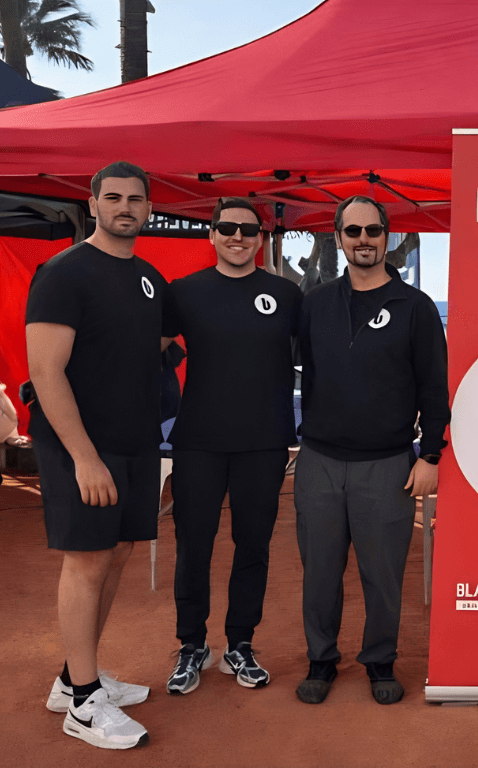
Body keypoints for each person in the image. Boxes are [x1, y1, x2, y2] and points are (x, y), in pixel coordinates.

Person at [26, 161, 167, 750]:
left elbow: (151, 349)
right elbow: (45, 369)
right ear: (93, 202)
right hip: (81, 446)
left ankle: (73, 678)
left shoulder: (149, 277)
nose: (125, 207)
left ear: (148, 207)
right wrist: (84, 456)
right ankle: (83, 704)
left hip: (136, 444)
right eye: (114, 197)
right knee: (86, 560)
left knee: (119, 551)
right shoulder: (63, 273)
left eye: (136, 198)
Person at [294, 195, 449, 705]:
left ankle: (380, 662)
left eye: (373, 231)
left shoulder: (416, 307)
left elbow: (433, 387)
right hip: (318, 460)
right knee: (319, 570)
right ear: (338, 237)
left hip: (388, 464)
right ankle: (321, 660)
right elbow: (285, 372)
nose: (364, 240)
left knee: (382, 574)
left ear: (388, 237)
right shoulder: (314, 303)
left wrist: (430, 456)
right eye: (353, 231)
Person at [162, 198, 302, 695]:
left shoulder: (286, 294)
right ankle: (192, 645)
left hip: (263, 444)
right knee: (192, 548)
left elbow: (317, 356)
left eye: (247, 229)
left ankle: (240, 644)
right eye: (227, 228)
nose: (237, 236)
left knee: (253, 548)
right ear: (212, 235)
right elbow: (151, 345)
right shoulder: (184, 292)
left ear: (261, 237)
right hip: (198, 442)